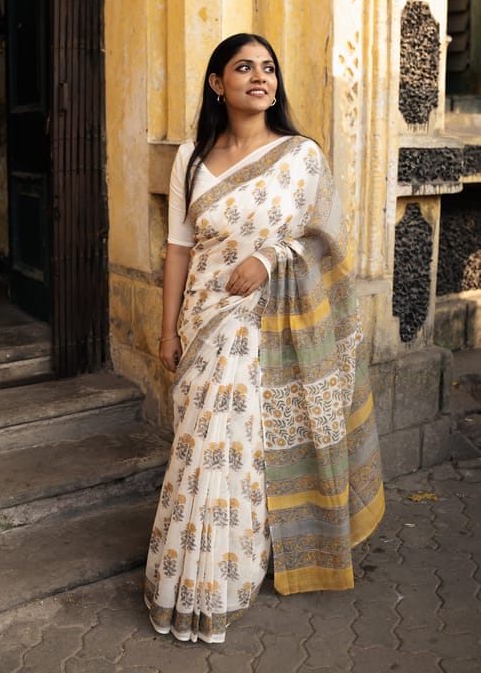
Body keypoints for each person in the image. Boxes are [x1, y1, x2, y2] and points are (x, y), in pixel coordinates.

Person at [144, 33, 385, 644]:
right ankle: (190, 576)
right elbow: (178, 249)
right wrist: (167, 330)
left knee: (237, 446)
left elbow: (326, 239)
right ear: (216, 83)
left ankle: (231, 573)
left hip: (266, 322)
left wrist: (270, 257)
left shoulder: (300, 156)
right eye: (244, 67)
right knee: (200, 446)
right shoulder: (190, 158)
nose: (260, 77)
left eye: (269, 68)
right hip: (204, 321)